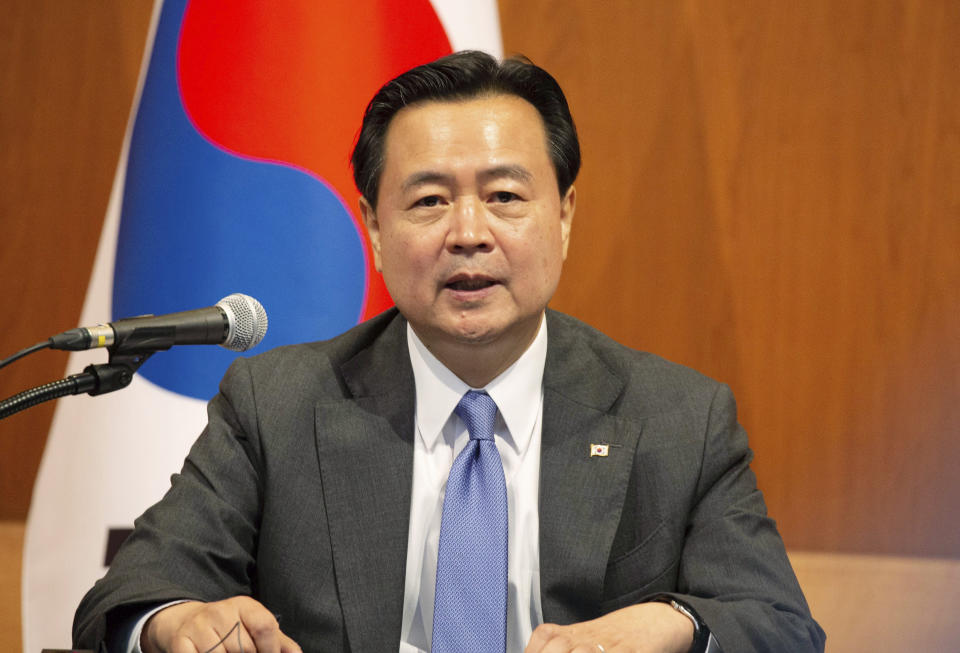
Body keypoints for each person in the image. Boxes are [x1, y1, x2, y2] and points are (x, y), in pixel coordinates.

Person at [73, 51, 825, 653]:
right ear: (372, 225)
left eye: (504, 196)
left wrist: (677, 626)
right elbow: (128, 595)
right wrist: (174, 623)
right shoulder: (277, 405)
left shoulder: (678, 419)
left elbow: (782, 625)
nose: (468, 231)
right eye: (429, 200)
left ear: (563, 216)